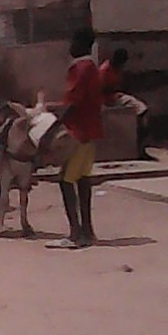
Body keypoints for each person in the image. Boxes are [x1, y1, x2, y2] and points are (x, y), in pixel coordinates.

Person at [48, 29, 104, 250]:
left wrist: (54, 116)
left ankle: (75, 234)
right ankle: (88, 231)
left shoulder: (80, 69)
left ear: (80, 44)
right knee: (82, 179)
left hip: (79, 132)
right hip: (91, 131)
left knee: (66, 180)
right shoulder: (93, 68)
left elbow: (73, 101)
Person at [100, 48, 154, 160]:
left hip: (116, 97)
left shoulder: (117, 70)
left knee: (143, 110)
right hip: (107, 100)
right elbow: (98, 89)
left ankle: (141, 145)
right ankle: (138, 147)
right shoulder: (104, 70)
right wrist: (114, 91)